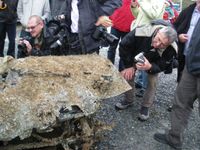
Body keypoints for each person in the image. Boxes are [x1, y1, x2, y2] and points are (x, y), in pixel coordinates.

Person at [154, 1, 200, 149]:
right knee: (180, 101)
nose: (198, 3)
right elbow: (176, 27)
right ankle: (174, 138)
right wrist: (179, 37)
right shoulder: (191, 9)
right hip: (190, 65)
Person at [115, 21, 178, 121]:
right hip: (135, 54)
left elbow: (162, 65)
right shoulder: (142, 31)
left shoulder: (172, 48)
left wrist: (150, 67)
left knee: (152, 82)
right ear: (158, 32)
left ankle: (146, 106)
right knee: (127, 75)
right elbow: (123, 46)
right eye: (158, 39)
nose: (157, 45)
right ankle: (128, 100)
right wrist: (128, 66)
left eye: (163, 44)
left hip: (153, 62)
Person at [130, 0, 166, 97]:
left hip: (150, 35)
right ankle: (141, 81)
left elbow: (153, 15)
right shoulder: (146, 1)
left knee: (147, 60)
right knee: (140, 58)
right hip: (140, 33)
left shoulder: (159, 1)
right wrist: (134, 7)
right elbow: (138, 16)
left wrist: (141, 2)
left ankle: (145, 87)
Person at [107, 0, 135, 71]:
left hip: (128, 27)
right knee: (112, 47)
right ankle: (108, 67)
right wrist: (110, 17)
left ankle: (121, 71)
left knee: (124, 50)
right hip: (116, 24)